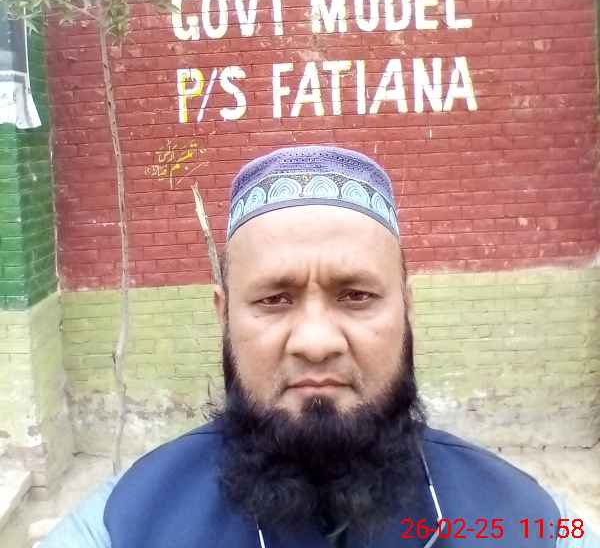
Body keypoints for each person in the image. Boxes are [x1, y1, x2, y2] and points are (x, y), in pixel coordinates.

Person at [41, 145, 599, 548]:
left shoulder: (530, 521)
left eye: (356, 296)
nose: (315, 342)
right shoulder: (125, 523)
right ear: (223, 316)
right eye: (274, 299)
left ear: (407, 309)